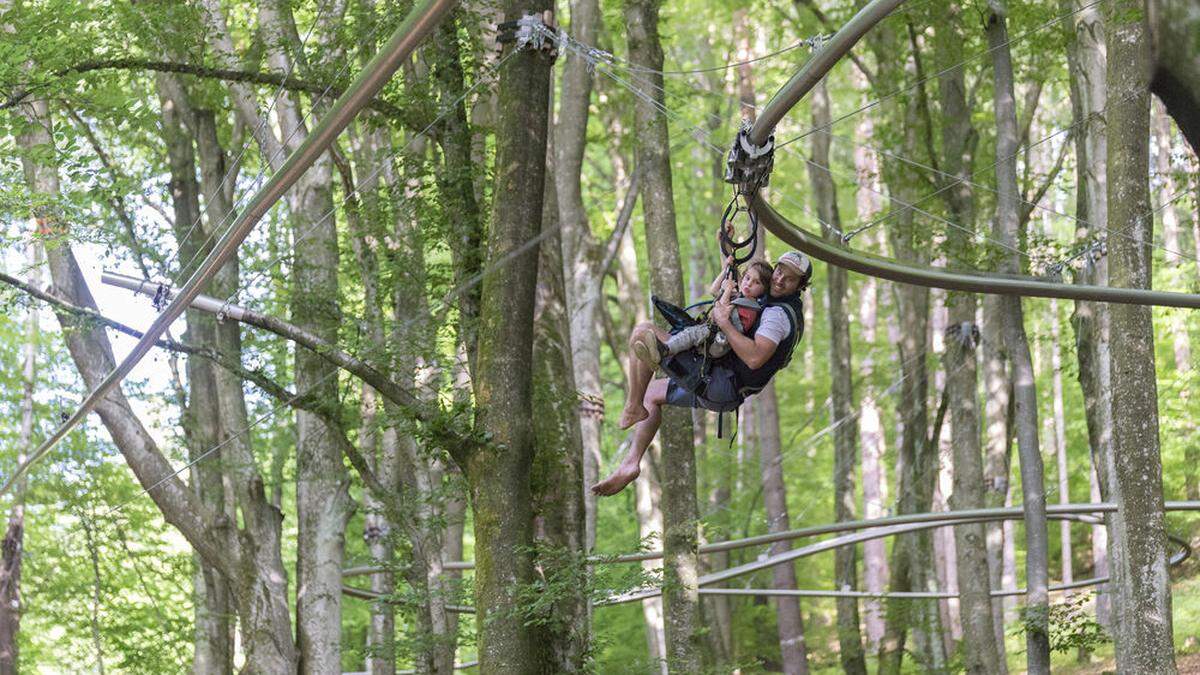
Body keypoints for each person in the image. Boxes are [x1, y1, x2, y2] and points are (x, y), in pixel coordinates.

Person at [593, 251, 812, 496]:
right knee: (652, 393)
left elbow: (754, 358)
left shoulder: (777, 315)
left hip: (720, 383)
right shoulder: (775, 302)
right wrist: (726, 250)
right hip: (725, 386)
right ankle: (631, 463)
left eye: (790, 279)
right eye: (780, 271)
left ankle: (632, 406)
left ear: (799, 286)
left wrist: (724, 322)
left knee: (644, 333)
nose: (780, 279)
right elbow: (738, 284)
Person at [636, 257, 774, 364]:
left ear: (763, 290)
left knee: (691, 334)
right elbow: (713, 290)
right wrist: (725, 270)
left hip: (718, 342)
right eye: (747, 278)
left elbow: (721, 312)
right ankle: (654, 356)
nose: (749, 284)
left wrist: (727, 290)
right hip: (713, 331)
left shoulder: (750, 307)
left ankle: (665, 350)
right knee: (689, 330)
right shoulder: (740, 297)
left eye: (756, 283)